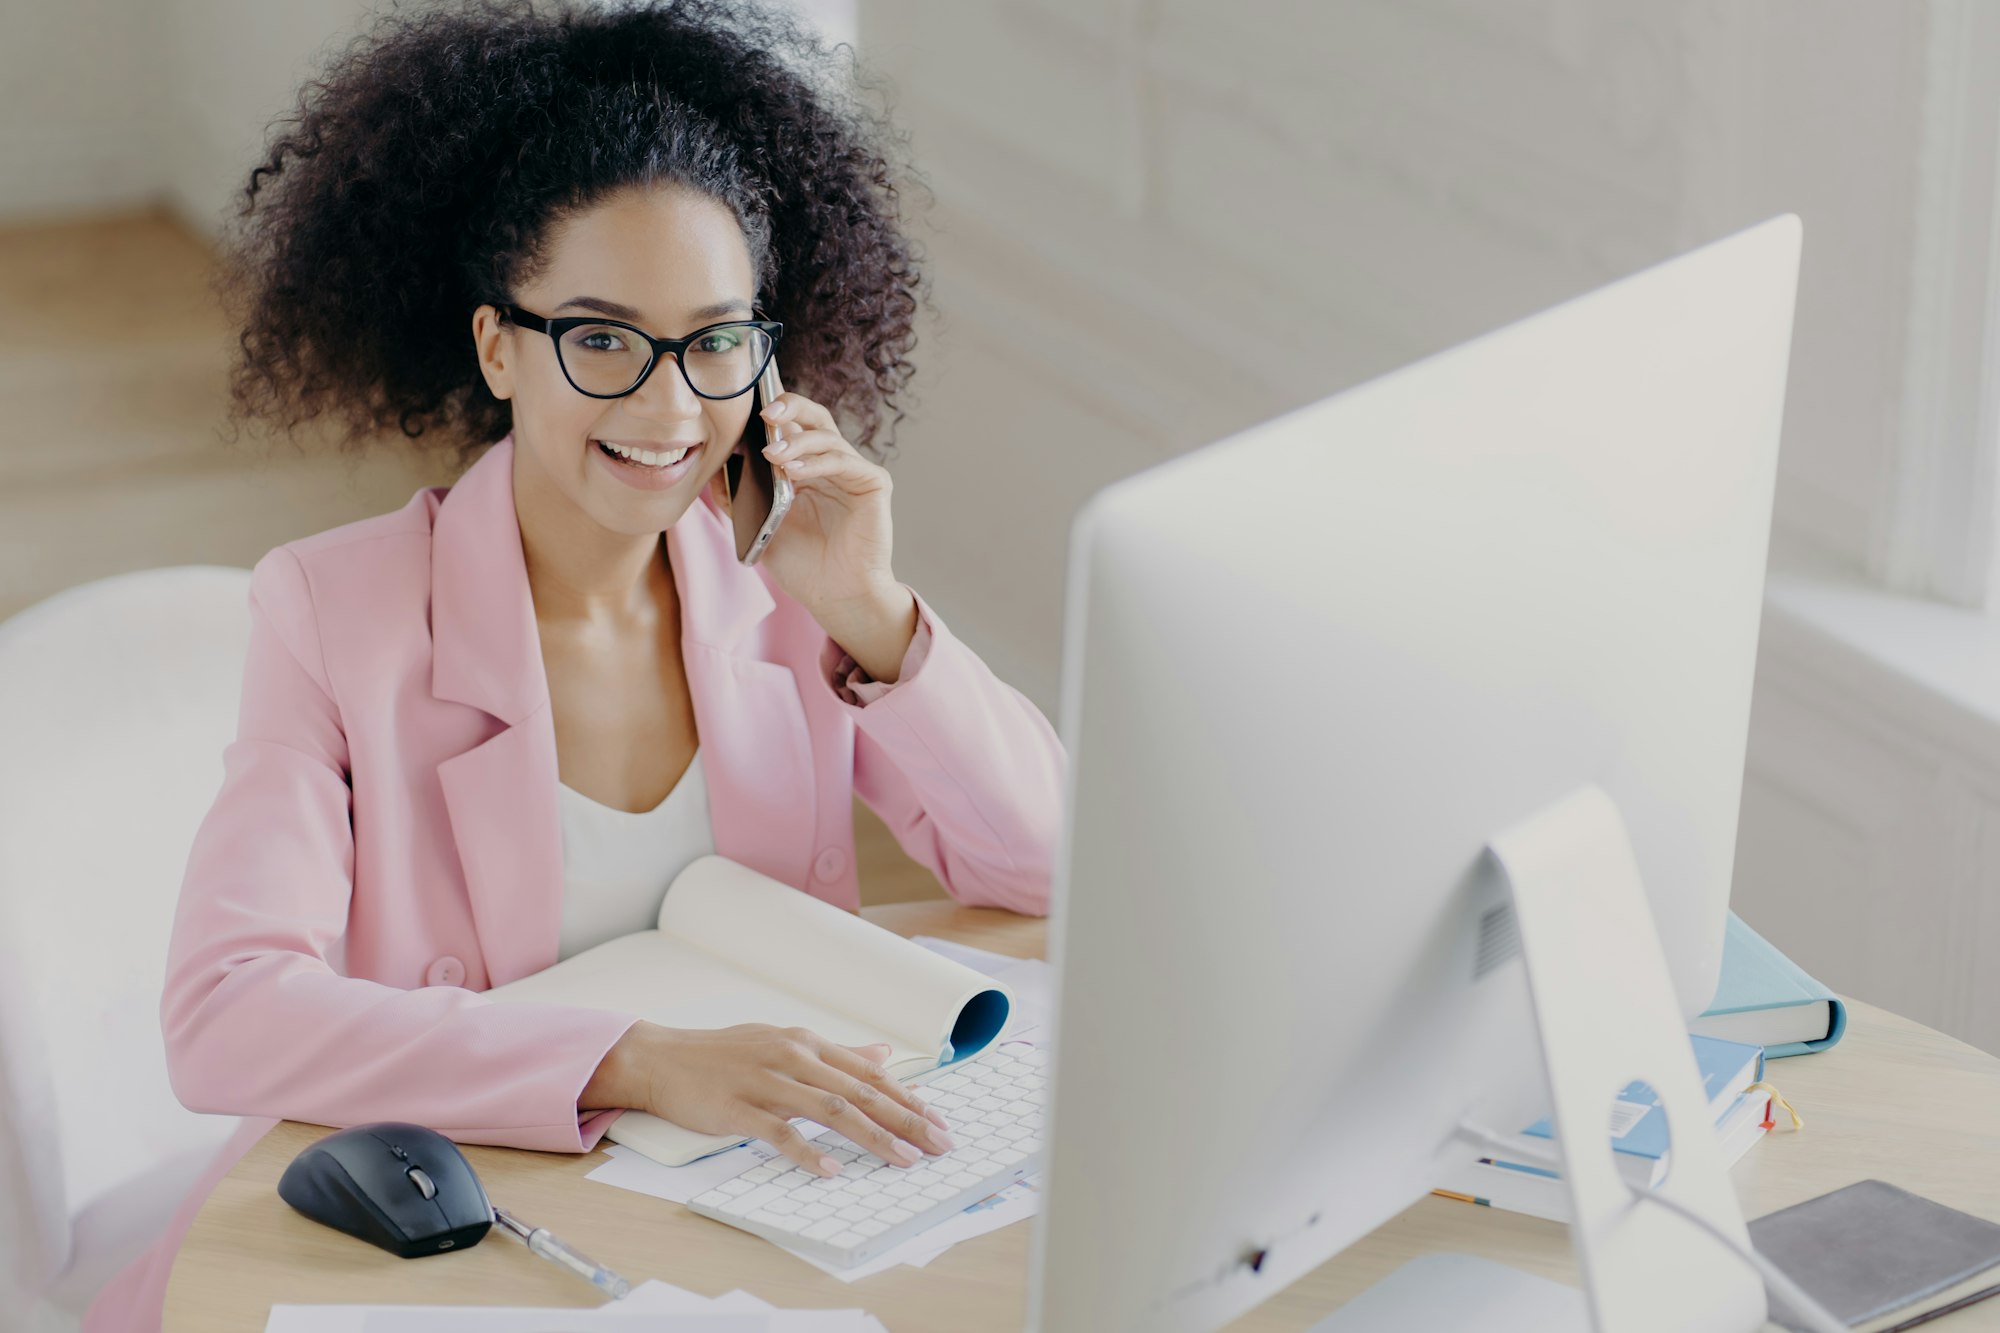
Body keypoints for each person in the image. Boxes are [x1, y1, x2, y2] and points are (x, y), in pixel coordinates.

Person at [84, 2, 1063, 1326]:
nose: (670, 410)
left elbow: (1046, 867)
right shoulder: (337, 611)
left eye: (716, 340)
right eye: (601, 338)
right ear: (500, 345)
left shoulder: (788, 588)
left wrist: (874, 612)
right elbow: (226, 1013)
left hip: (737, 1216)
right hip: (458, 1227)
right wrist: (635, 1058)